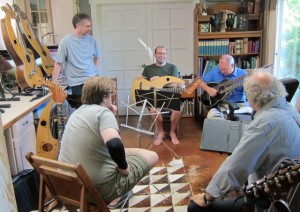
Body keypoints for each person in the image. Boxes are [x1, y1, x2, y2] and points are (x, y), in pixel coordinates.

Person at [188, 71, 300, 211]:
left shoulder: (264, 124)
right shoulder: (291, 109)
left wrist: (206, 197)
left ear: (252, 97)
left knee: (194, 208)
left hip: (269, 200)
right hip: (291, 192)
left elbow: (235, 168)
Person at [58, 76, 159, 208]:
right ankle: (115, 198)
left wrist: (109, 113)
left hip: (70, 186)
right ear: (105, 96)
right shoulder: (103, 114)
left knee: (129, 152)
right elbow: (114, 145)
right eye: (111, 94)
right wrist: (124, 168)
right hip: (96, 188)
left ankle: (116, 192)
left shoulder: (76, 113)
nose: (113, 97)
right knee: (153, 156)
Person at [52, 13, 101, 109]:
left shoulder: (92, 40)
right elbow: (58, 64)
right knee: (82, 110)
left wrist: (95, 72)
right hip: (76, 83)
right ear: (78, 26)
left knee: (95, 108)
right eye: (87, 26)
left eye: (90, 26)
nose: (90, 28)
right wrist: (53, 84)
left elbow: (97, 57)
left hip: (92, 80)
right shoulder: (65, 42)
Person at [139, 45, 182, 145]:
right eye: (159, 53)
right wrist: (142, 80)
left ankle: (172, 132)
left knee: (178, 110)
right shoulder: (148, 69)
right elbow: (143, 85)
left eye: (163, 53)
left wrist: (158, 81)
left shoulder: (172, 67)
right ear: (155, 54)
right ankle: (161, 132)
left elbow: (175, 84)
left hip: (170, 96)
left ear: (166, 55)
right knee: (154, 110)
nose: (161, 55)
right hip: (155, 96)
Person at [198, 54, 248, 119]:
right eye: (220, 68)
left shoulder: (243, 74)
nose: (221, 71)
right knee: (211, 117)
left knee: (244, 118)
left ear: (232, 65)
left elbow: (250, 91)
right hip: (221, 105)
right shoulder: (215, 71)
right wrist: (208, 89)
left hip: (239, 105)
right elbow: (198, 82)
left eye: (224, 69)